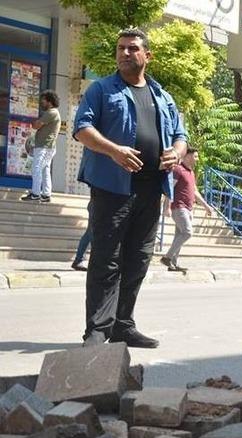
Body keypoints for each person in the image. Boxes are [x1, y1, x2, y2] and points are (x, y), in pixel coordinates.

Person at [73, 28, 187, 348]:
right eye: (120, 48)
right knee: (105, 260)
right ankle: (97, 330)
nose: (125, 53)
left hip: (151, 190)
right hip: (111, 188)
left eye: (132, 48)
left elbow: (181, 136)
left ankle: (123, 325)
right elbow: (82, 129)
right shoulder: (102, 89)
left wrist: (176, 153)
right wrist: (114, 150)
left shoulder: (162, 96)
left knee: (137, 259)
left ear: (146, 55)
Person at [160, 147, 213, 272]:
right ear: (187, 156)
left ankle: (173, 263)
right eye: (195, 156)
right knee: (188, 232)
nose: (197, 159)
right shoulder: (178, 169)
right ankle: (167, 257)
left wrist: (206, 206)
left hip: (188, 208)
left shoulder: (191, 172)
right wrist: (166, 206)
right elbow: (170, 187)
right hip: (179, 207)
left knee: (179, 235)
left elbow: (195, 192)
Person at [21, 91, 61, 202]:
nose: (41, 102)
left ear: (49, 101)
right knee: (45, 170)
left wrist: (34, 123)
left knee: (36, 168)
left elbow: (36, 125)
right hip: (48, 147)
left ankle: (35, 194)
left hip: (44, 147)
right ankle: (46, 194)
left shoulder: (51, 113)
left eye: (43, 100)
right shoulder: (53, 113)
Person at [71, 200, 92, 271]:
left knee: (90, 234)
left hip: (97, 203)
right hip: (98, 203)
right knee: (91, 234)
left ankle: (78, 259)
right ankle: (78, 259)